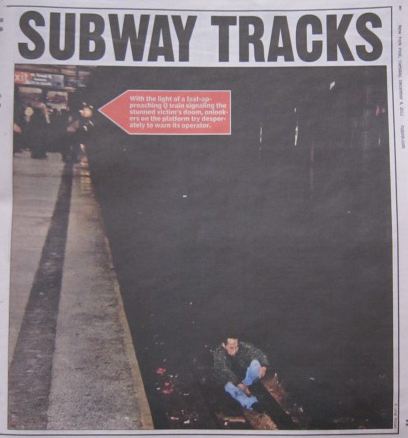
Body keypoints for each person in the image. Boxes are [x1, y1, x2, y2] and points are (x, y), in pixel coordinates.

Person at [214, 337, 269, 410]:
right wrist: (238, 384)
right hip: (234, 381)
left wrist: (263, 367)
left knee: (255, 363)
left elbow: (258, 353)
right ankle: (251, 403)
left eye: (236, 347)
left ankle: (256, 385)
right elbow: (223, 371)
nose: (235, 350)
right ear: (224, 345)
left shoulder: (243, 346)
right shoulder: (219, 354)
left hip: (247, 376)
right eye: (231, 347)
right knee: (228, 387)